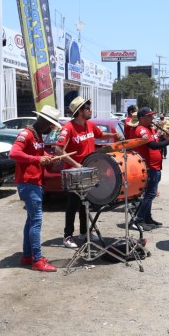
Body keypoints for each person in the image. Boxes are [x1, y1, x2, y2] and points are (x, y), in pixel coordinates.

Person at [55, 96, 122, 248]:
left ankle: (84, 232)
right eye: (87, 108)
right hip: (75, 172)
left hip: (89, 170)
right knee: (73, 204)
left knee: (86, 204)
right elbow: (58, 149)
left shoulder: (90, 125)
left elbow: (99, 135)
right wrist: (75, 164)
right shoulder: (68, 128)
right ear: (79, 111)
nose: (90, 111)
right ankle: (68, 236)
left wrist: (113, 135)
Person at [8, 105, 63, 272]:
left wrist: (48, 158)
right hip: (28, 183)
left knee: (31, 220)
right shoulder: (27, 134)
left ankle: (27, 255)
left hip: (34, 183)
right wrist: (37, 159)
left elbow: (37, 155)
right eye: (51, 125)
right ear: (45, 122)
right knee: (36, 221)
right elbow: (14, 154)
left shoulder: (37, 136)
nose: (51, 129)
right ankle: (37, 259)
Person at [131, 107, 169, 231]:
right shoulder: (141, 130)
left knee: (149, 194)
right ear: (141, 118)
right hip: (149, 167)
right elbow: (152, 145)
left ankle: (147, 218)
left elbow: (157, 141)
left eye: (152, 116)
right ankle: (138, 220)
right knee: (150, 194)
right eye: (149, 116)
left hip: (155, 166)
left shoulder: (150, 129)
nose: (152, 119)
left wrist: (165, 137)